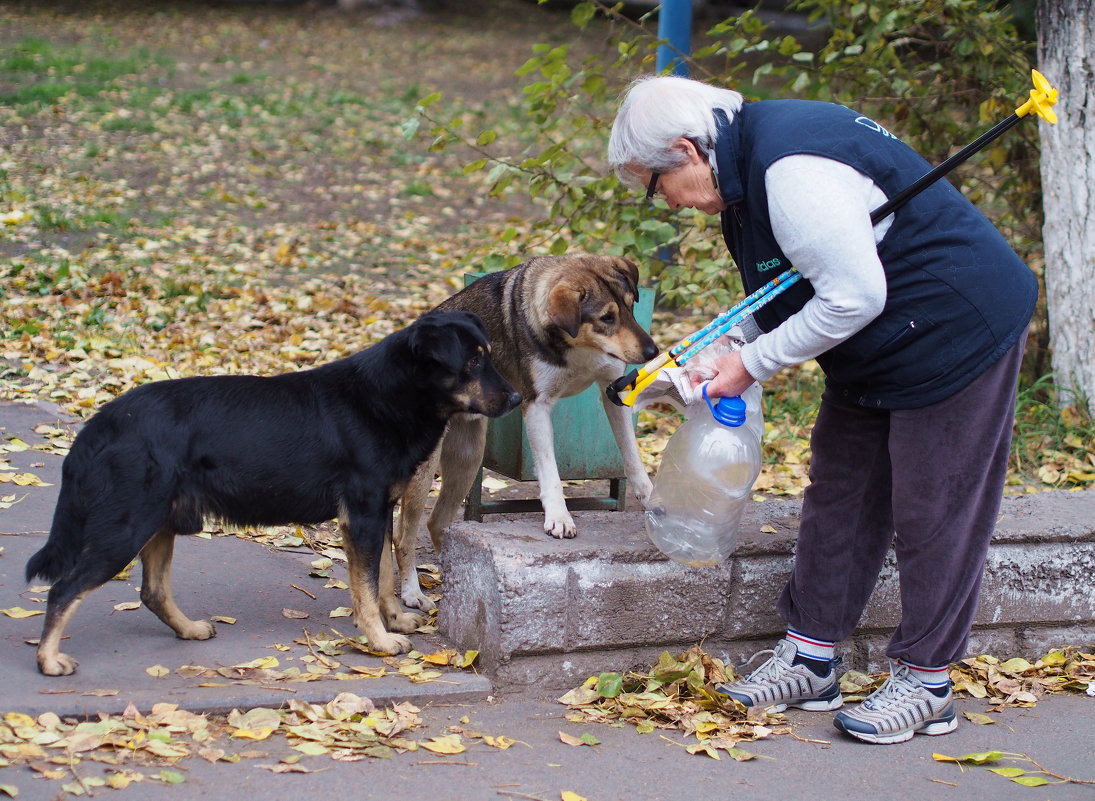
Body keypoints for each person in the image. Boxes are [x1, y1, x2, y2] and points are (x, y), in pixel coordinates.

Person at [607, 75, 1037, 745]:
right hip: (877, 341)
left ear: (686, 150)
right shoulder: (742, 174)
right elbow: (788, 289)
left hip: (956, 326)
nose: (662, 201)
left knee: (934, 507)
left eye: (653, 184)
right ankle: (810, 657)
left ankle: (927, 682)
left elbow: (851, 296)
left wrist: (749, 364)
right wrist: (718, 354)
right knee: (839, 492)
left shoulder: (791, 168)